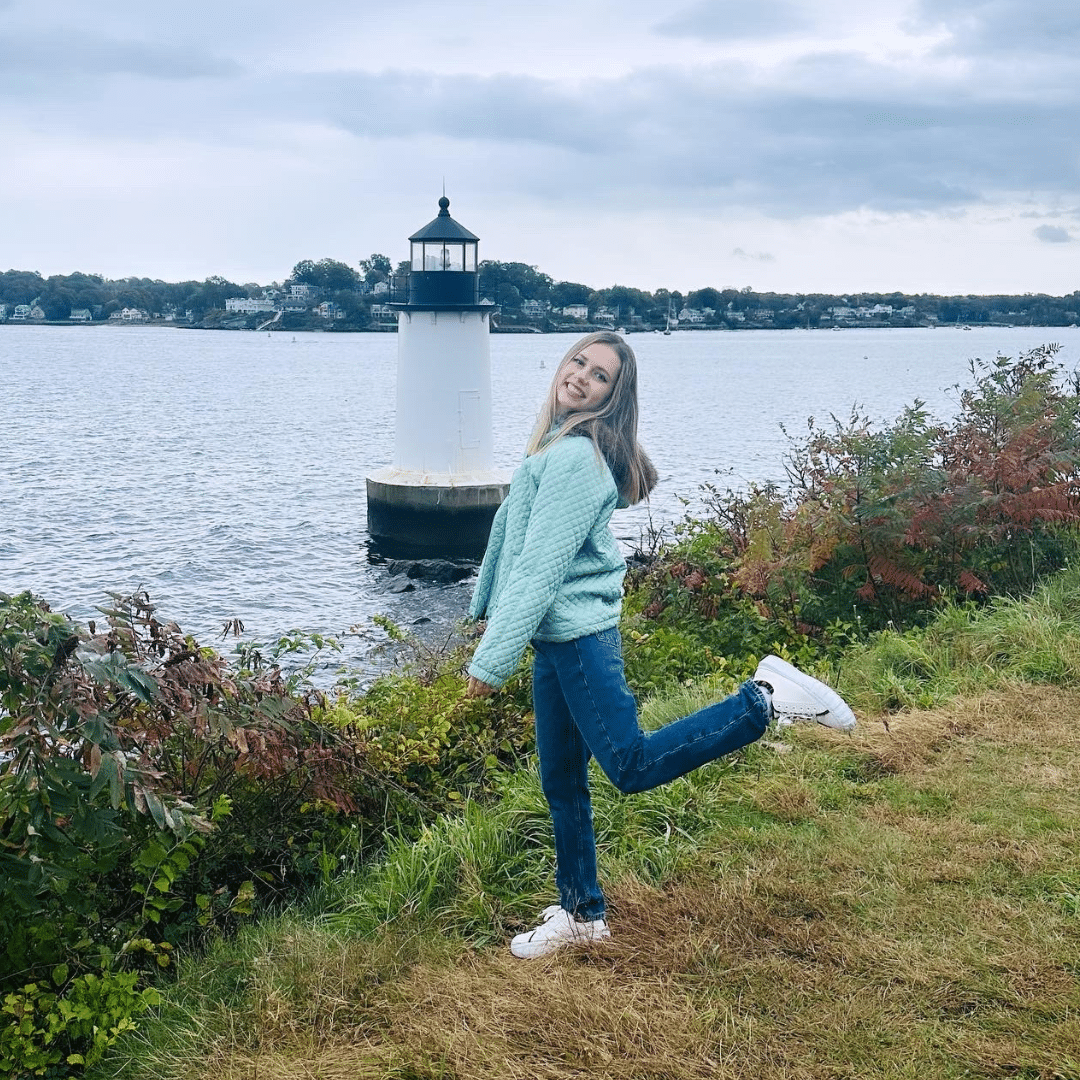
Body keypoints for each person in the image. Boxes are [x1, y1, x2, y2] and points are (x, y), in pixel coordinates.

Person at [466, 331, 855, 959]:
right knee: (561, 780)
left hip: (580, 641)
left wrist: (491, 659)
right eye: (579, 363)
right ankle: (582, 912)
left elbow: (539, 567)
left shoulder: (573, 459)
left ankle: (765, 700)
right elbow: (515, 545)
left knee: (630, 765)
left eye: (599, 377)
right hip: (556, 638)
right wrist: (492, 612)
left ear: (613, 397)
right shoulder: (559, 442)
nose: (581, 377)